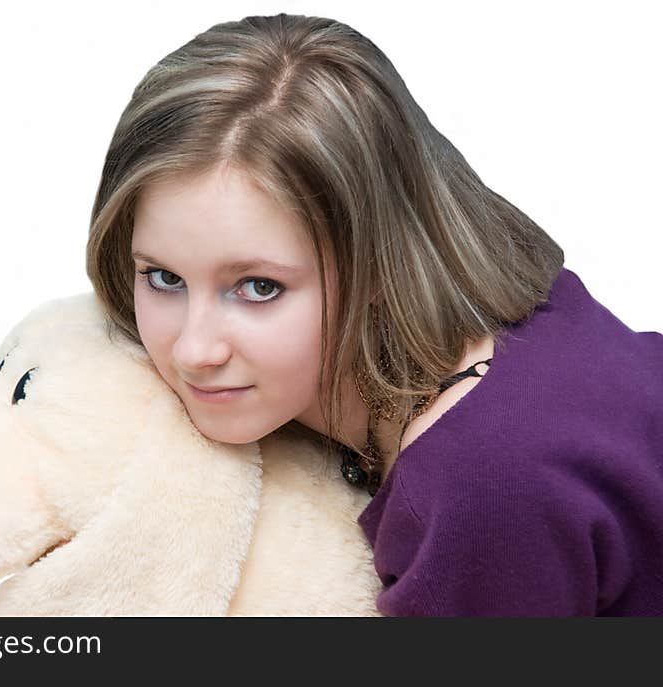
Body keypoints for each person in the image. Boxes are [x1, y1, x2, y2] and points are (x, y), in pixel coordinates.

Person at [84, 13, 663, 615]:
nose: (193, 350)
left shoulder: (482, 489)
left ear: (382, 262)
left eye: (258, 287)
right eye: (163, 278)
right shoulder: (506, 329)